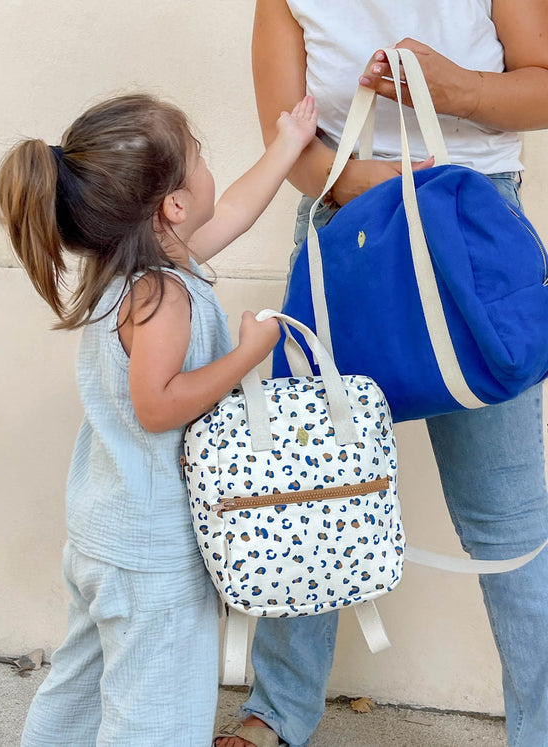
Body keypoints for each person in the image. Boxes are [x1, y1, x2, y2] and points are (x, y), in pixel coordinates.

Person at [214, 1, 548, 746]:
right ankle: (277, 711)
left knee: (510, 516)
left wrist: (449, 87)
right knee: (307, 484)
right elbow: (288, 136)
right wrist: (352, 180)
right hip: (348, 230)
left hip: (471, 228)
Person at [0, 91, 317, 746]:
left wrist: (287, 144)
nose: (208, 168)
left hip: (104, 535)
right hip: (152, 556)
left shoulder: (133, 265)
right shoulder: (162, 292)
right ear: (172, 206)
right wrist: (248, 353)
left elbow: (232, 208)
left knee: (82, 688)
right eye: (198, 156)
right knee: (157, 714)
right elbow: (158, 403)